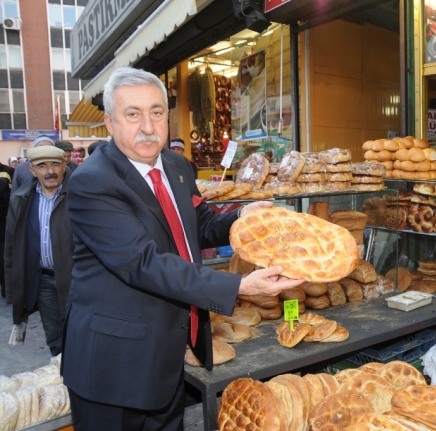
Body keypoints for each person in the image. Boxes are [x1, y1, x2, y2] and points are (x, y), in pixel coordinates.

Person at [61, 67, 304, 430]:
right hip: (113, 369)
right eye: (133, 114)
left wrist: (241, 215)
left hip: (168, 355)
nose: (147, 125)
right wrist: (237, 286)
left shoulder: (176, 165)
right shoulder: (92, 182)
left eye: (156, 112)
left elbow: (199, 225)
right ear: (110, 123)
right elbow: (143, 263)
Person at [5, 146, 72, 356]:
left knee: (80, 335)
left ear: (64, 166)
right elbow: (11, 247)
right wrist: (13, 288)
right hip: (42, 280)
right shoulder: (21, 199)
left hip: (76, 279)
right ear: (33, 171)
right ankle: (61, 384)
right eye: (42, 166)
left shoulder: (80, 195)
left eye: (54, 165)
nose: (49, 171)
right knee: (55, 339)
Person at [0, 159, 13, 298]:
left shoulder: (2, 183)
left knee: (2, 262)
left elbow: (8, 208)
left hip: (1, 231)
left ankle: (5, 288)